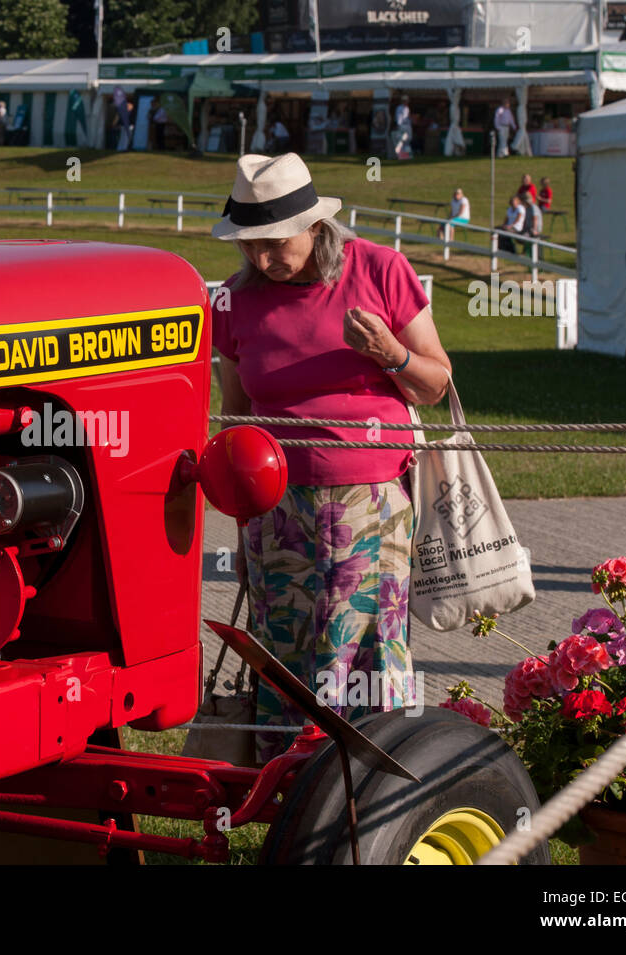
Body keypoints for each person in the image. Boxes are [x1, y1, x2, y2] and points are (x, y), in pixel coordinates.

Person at [212, 152, 452, 763]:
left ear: (314, 227)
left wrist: (390, 353)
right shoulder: (236, 302)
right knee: (284, 652)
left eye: (273, 243)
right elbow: (239, 420)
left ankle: (375, 797)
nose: (261, 258)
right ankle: (288, 797)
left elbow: (435, 385)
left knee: (369, 652)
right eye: (249, 245)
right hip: (275, 512)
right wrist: (243, 530)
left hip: (370, 505)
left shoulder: (380, 269)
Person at [393, 94, 412, 159]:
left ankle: (406, 155)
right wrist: (399, 126)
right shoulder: (400, 108)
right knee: (401, 141)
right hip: (402, 126)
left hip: (407, 126)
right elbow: (399, 118)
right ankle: (399, 155)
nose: (407, 102)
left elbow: (407, 118)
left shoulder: (407, 108)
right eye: (406, 101)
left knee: (407, 140)